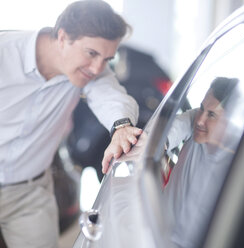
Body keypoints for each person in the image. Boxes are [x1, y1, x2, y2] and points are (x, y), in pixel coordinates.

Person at [0, 1, 141, 247]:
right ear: (63, 37)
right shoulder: (4, 53)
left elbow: (112, 97)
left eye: (107, 58)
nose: (97, 67)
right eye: (91, 53)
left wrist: (121, 128)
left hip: (29, 194)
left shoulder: (91, 72)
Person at [164, 77, 239, 248]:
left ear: (230, 122)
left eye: (211, 115)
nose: (200, 120)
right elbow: (172, 130)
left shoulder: (239, 166)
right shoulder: (194, 124)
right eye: (202, 109)